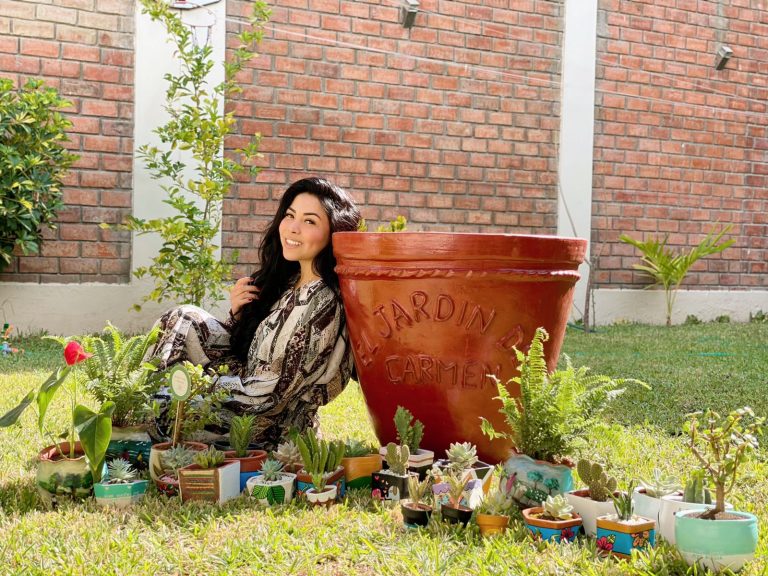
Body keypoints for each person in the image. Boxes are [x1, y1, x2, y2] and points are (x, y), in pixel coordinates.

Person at [145, 177, 361, 451]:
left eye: (309, 221)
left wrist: (198, 389)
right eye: (290, 215)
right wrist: (237, 317)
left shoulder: (323, 301)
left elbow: (269, 395)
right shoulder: (287, 282)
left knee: (162, 409)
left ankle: (150, 419)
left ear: (333, 233)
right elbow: (248, 355)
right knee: (182, 319)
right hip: (238, 392)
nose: (292, 228)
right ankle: (144, 402)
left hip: (263, 427)